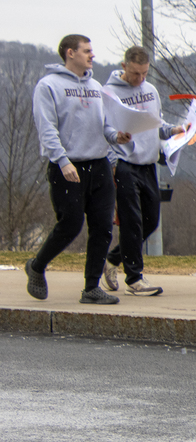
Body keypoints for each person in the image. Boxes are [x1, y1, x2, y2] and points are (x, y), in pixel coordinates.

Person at [26, 34, 131, 304]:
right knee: (70, 225)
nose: (92, 55)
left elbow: (104, 125)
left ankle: (91, 288)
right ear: (70, 53)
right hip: (67, 166)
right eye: (87, 51)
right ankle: (37, 266)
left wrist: (116, 137)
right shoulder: (48, 86)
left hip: (99, 165)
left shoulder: (96, 86)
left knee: (103, 228)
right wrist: (62, 161)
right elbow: (47, 129)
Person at [102, 46, 186, 296]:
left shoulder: (150, 90)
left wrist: (174, 130)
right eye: (135, 73)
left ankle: (113, 259)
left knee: (150, 221)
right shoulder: (109, 94)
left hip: (148, 163)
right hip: (124, 163)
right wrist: (113, 162)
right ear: (124, 66)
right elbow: (104, 130)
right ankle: (135, 278)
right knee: (131, 221)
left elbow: (156, 125)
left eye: (144, 73)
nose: (140, 79)